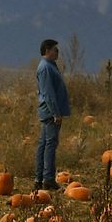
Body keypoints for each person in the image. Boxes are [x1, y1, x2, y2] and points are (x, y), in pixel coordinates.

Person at [34, 39, 70, 190]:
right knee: (50, 145)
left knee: (44, 144)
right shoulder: (45, 68)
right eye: (55, 49)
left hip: (50, 112)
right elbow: (48, 94)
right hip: (50, 113)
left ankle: (40, 179)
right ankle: (47, 179)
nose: (57, 52)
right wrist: (56, 113)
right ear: (48, 50)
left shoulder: (50, 66)